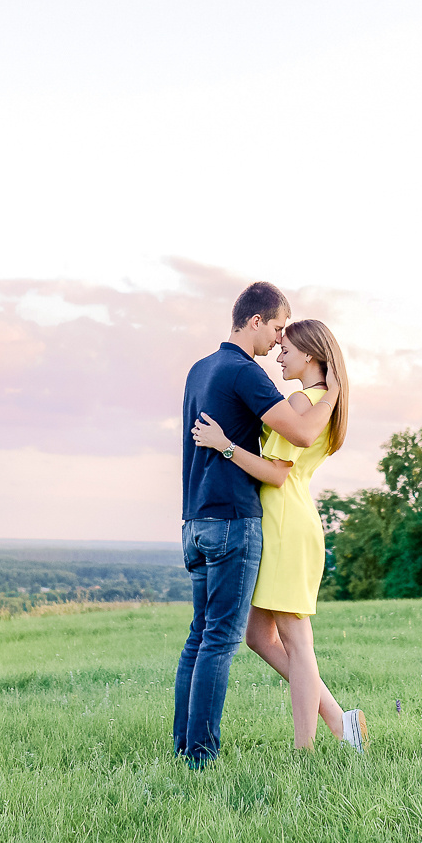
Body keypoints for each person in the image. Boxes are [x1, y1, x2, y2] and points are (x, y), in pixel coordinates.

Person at [174, 281, 340, 766]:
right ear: (255, 322)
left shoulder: (198, 370)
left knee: (199, 636)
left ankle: (186, 748)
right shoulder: (244, 372)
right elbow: (302, 431)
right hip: (233, 520)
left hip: (195, 518)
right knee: (223, 639)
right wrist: (334, 390)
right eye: (277, 328)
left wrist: (328, 388)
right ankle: (200, 757)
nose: (278, 342)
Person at [193, 317, 366, 751]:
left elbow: (275, 474)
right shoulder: (323, 399)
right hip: (289, 518)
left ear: (310, 355)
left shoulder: (303, 401)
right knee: (258, 636)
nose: (279, 355)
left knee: (296, 639)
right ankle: (341, 722)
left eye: (286, 349)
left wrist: (224, 445)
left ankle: (305, 749)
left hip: (286, 522)